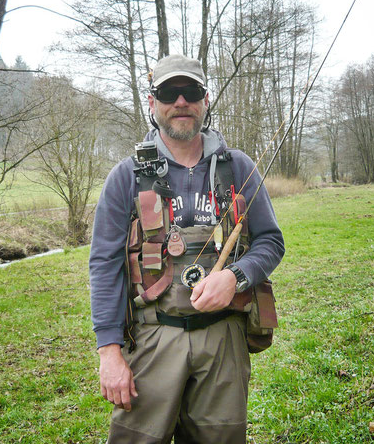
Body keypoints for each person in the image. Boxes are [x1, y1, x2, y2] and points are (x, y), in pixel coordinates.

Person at [89, 54, 284, 443]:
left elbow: (270, 241)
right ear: (152, 102)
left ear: (205, 100)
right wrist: (109, 353)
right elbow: (104, 265)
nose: (181, 102)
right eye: (169, 92)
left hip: (224, 341)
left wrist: (235, 276)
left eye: (190, 91)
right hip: (152, 340)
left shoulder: (239, 167)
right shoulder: (125, 177)